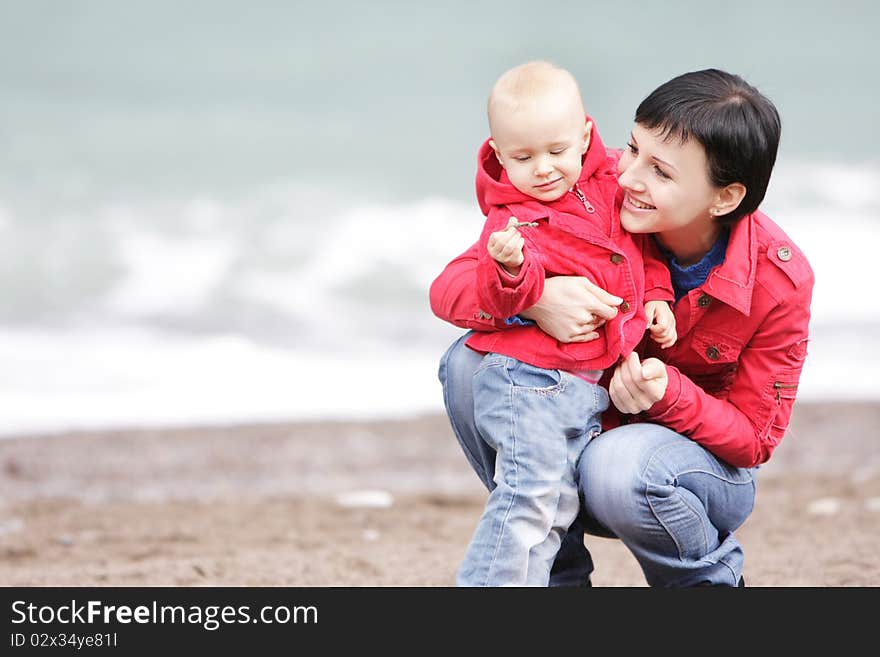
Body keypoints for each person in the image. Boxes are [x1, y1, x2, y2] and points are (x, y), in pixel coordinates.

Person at [430, 68, 814, 587]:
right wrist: (538, 297)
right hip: (579, 432)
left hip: (685, 470)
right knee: (468, 365)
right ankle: (556, 579)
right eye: (632, 148)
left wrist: (665, 393)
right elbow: (450, 287)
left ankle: (706, 586)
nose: (628, 175)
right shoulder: (591, 187)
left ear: (724, 197)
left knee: (617, 466)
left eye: (661, 171)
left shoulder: (778, 279)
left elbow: (752, 441)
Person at [450, 61, 676, 587]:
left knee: (554, 506)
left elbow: (640, 253)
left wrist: (658, 299)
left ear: (585, 136)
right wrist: (513, 272)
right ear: (500, 154)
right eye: (523, 158)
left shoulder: (613, 185)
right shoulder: (512, 221)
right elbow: (496, 287)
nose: (544, 169)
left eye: (556, 151)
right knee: (528, 498)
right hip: (529, 382)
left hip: (579, 387)